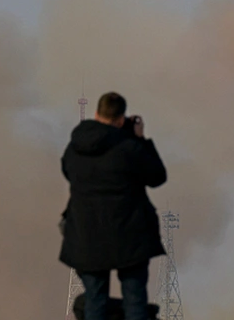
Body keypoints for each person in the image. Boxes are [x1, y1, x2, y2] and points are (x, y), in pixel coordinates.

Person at [60, 92, 168, 320]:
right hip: (130, 239)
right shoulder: (130, 148)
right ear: (120, 120)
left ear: (97, 114)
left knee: (94, 302)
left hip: (86, 238)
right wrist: (140, 139)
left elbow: (68, 172)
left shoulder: (74, 149)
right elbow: (157, 176)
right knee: (135, 303)